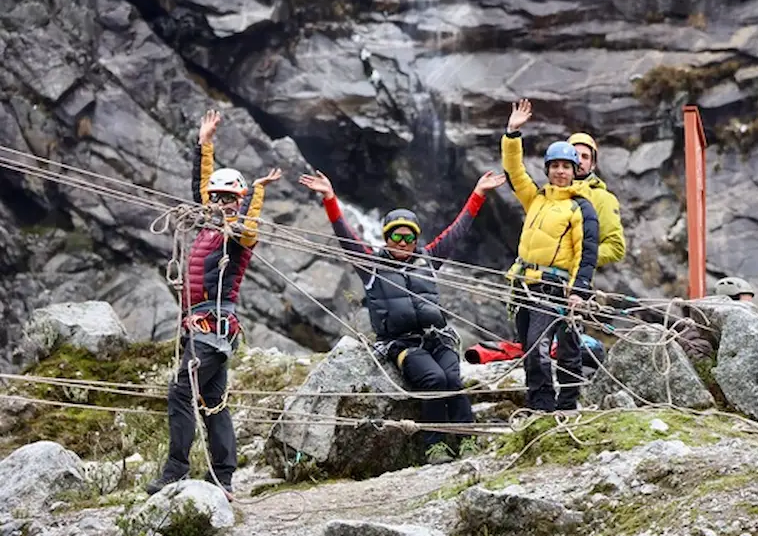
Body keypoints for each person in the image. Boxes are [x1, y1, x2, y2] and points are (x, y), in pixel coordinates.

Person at [299, 168, 507, 465]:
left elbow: (457, 230)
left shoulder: (429, 259)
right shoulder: (370, 265)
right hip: (401, 344)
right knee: (434, 379)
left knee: (452, 379)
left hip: (438, 338)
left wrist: (479, 194)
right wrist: (330, 199)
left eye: (408, 236)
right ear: (386, 237)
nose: (402, 241)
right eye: (395, 235)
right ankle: (434, 445)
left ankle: (467, 438)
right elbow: (347, 237)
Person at [147, 110, 283, 499]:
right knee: (213, 402)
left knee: (181, 391)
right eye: (218, 197)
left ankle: (176, 470)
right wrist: (204, 144)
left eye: (229, 199)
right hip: (203, 327)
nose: (221, 203)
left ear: (238, 202)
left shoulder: (237, 236)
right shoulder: (207, 224)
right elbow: (199, 191)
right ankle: (222, 479)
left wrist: (256, 194)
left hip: (213, 328)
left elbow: (249, 229)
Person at [502, 99, 600, 412]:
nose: (560, 171)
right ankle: (540, 401)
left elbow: (586, 252)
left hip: (552, 287)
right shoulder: (537, 199)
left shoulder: (581, 207)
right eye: (555, 166)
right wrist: (513, 133)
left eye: (566, 167)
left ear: (575, 172)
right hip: (523, 284)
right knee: (529, 345)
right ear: (548, 170)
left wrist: (579, 290)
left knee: (538, 345)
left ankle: (550, 404)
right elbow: (515, 172)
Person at [566, 132, 626, 268]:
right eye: (575, 155)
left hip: (570, 282)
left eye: (585, 157)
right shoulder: (549, 192)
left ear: (592, 165)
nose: (579, 161)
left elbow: (615, 247)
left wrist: (577, 259)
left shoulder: (603, 199)